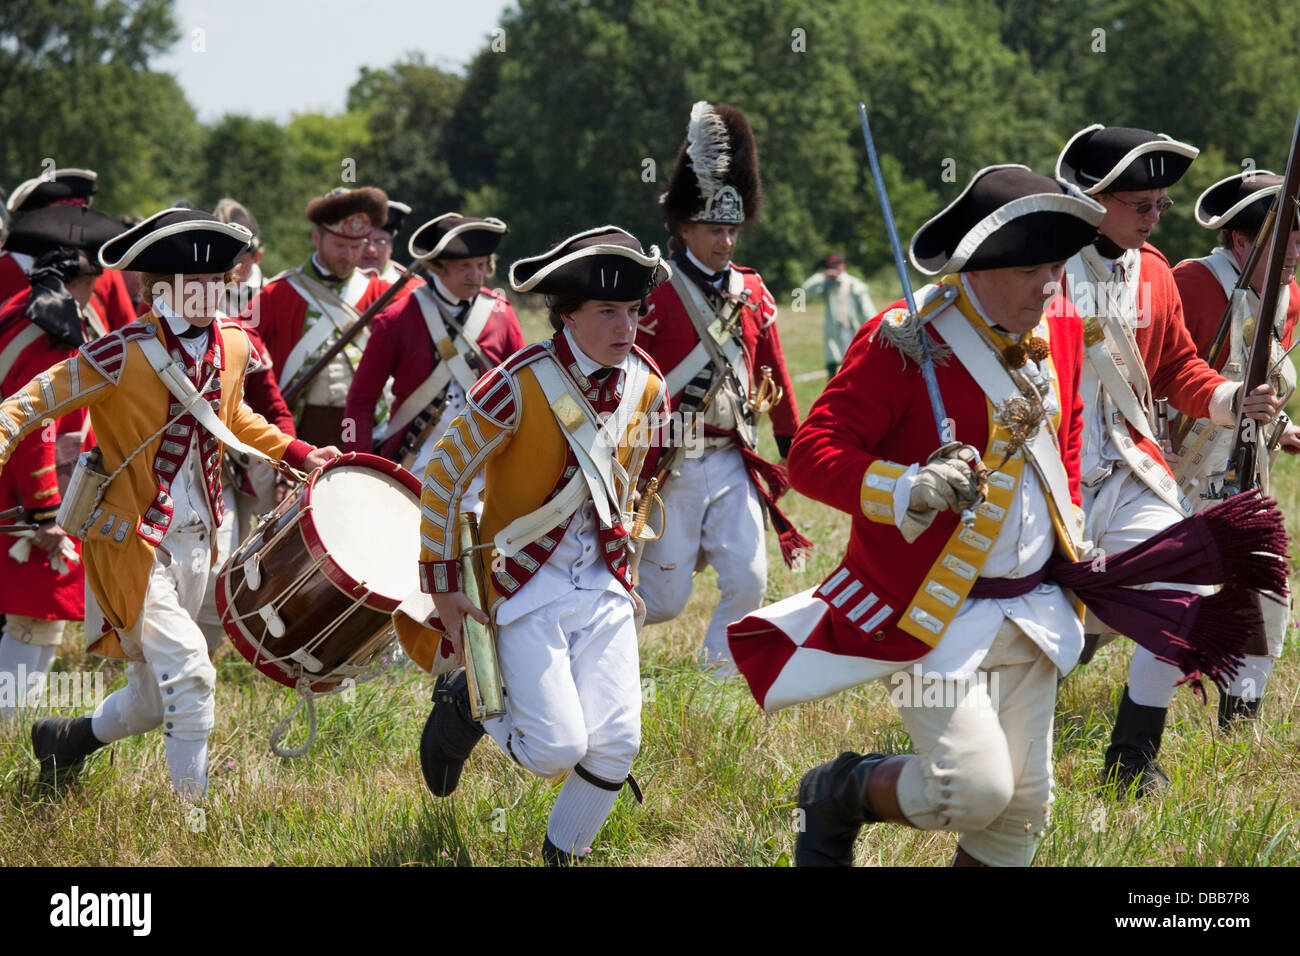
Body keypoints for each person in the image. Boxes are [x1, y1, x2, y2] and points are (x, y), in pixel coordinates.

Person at [727, 166, 1106, 866]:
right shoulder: (906, 338)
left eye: (1055, 267)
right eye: (1030, 270)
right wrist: (910, 487)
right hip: (929, 613)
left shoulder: (1062, 330)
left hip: (1037, 606)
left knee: (1020, 813)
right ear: (975, 269)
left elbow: (1068, 438)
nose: (1048, 286)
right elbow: (812, 456)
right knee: (972, 791)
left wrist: (1077, 532)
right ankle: (840, 791)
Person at [0, 208, 338, 797]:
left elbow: (234, 417)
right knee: (193, 675)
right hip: (132, 543)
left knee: (157, 697)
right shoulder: (118, 353)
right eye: (195, 284)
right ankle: (193, 822)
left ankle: (67, 738)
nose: (211, 294)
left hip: (205, 540)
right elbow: (33, 401)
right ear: (157, 288)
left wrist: (297, 452)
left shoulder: (232, 346)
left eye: (218, 282)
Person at [400, 226, 669, 864]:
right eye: (608, 311)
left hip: (602, 581)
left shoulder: (648, 385)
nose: (625, 326)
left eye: (633, 311)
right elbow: (443, 474)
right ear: (567, 314)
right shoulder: (518, 381)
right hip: (521, 584)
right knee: (554, 749)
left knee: (617, 743)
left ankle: (562, 855)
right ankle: (468, 702)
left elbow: (628, 481)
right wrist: (443, 586)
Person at [1054, 125, 1285, 795]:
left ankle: (1132, 755)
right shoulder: (1045, 272)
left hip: (1130, 469)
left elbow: (1179, 366)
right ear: (1094, 199)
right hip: (1050, 475)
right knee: (1038, 628)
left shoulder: (1152, 271)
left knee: (1187, 586)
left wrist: (1231, 398)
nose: (1156, 220)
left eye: (1161, 205)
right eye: (1142, 206)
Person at [635, 101, 805, 675]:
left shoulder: (753, 291)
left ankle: (716, 679)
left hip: (735, 455)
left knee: (749, 580)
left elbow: (774, 372)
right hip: (672, 460)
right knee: (662, 600)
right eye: (714, 229)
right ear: (685, 228)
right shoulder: (652, 293)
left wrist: (792, 443)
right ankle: (594, 639)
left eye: (732, 229)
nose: (726, 241)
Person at [1172, 169, 1300, 728]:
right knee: (1146, 594)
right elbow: (1154, 375)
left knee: (1264, 588)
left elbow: (1263, 382)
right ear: (1241, 242)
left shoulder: (1287, 295)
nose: (1297, 251)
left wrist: (1280, 428)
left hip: (1242, 474)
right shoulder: (1190, 283)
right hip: (1169, 470)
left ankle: (1238, 720)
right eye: (1286, 237)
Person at [0, 204, 124, 718]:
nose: (96, 293)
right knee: (35, 618)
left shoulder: (17, 309)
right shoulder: (52, 331)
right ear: (80, 279)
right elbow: (36, 430)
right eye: (93, 284)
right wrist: (48, 514)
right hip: (26, 494)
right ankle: (8, 729)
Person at [343, 213, 524, 483]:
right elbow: (361, 401)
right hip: (412, 464)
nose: (475, 275)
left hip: (486, 467)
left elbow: (523, 392)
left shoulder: (501, 313)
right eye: (465, 266)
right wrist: (360, 466)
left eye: (481, 265)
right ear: (440, 266)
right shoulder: (395, 319)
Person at [247, 186, 389, 446]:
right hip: (301, 425)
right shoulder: (278, 293)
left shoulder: (381, 292)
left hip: (365, 427)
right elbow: (243, 348)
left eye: (355, 246)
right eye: (339, 245)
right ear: (316, 237)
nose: (348, 256)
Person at [2, 167, 137, 331]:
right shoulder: (5, 268)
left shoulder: (103, 270)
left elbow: (126, 329)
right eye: (63, 220)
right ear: (36, 219)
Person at [799, 253, 876, 378]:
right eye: (831, 266)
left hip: (853, 329)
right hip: (834, 329)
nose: (833, 268)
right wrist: (823, 277)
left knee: (856, 362)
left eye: (836, 265)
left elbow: (868, 310)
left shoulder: (854, 284)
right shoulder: (826, 284)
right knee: (833, 362)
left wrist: (872, 327)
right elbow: (805, 290)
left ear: (843, 265)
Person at [360, 198, 424, 299]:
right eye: (363, 240)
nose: (370, 249)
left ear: (391, 246)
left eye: (380, 242)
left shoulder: (413, 289)